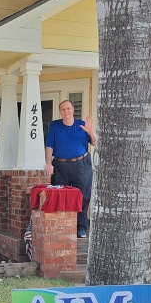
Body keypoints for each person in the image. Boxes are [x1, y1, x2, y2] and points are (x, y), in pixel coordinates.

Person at [44, 99, 96, 238]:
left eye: (68, 108)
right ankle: (65, 227)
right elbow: (49, 146)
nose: (66, 111)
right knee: (62, 196)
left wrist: (90, 132)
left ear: (73, 109)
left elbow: (95, 142)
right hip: (60, 166)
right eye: (63, 109)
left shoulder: (82, 125)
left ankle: (81, 227)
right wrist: (48, 163)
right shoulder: (55, 125)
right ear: (60, 112)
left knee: (83, 196)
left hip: (81, 165)